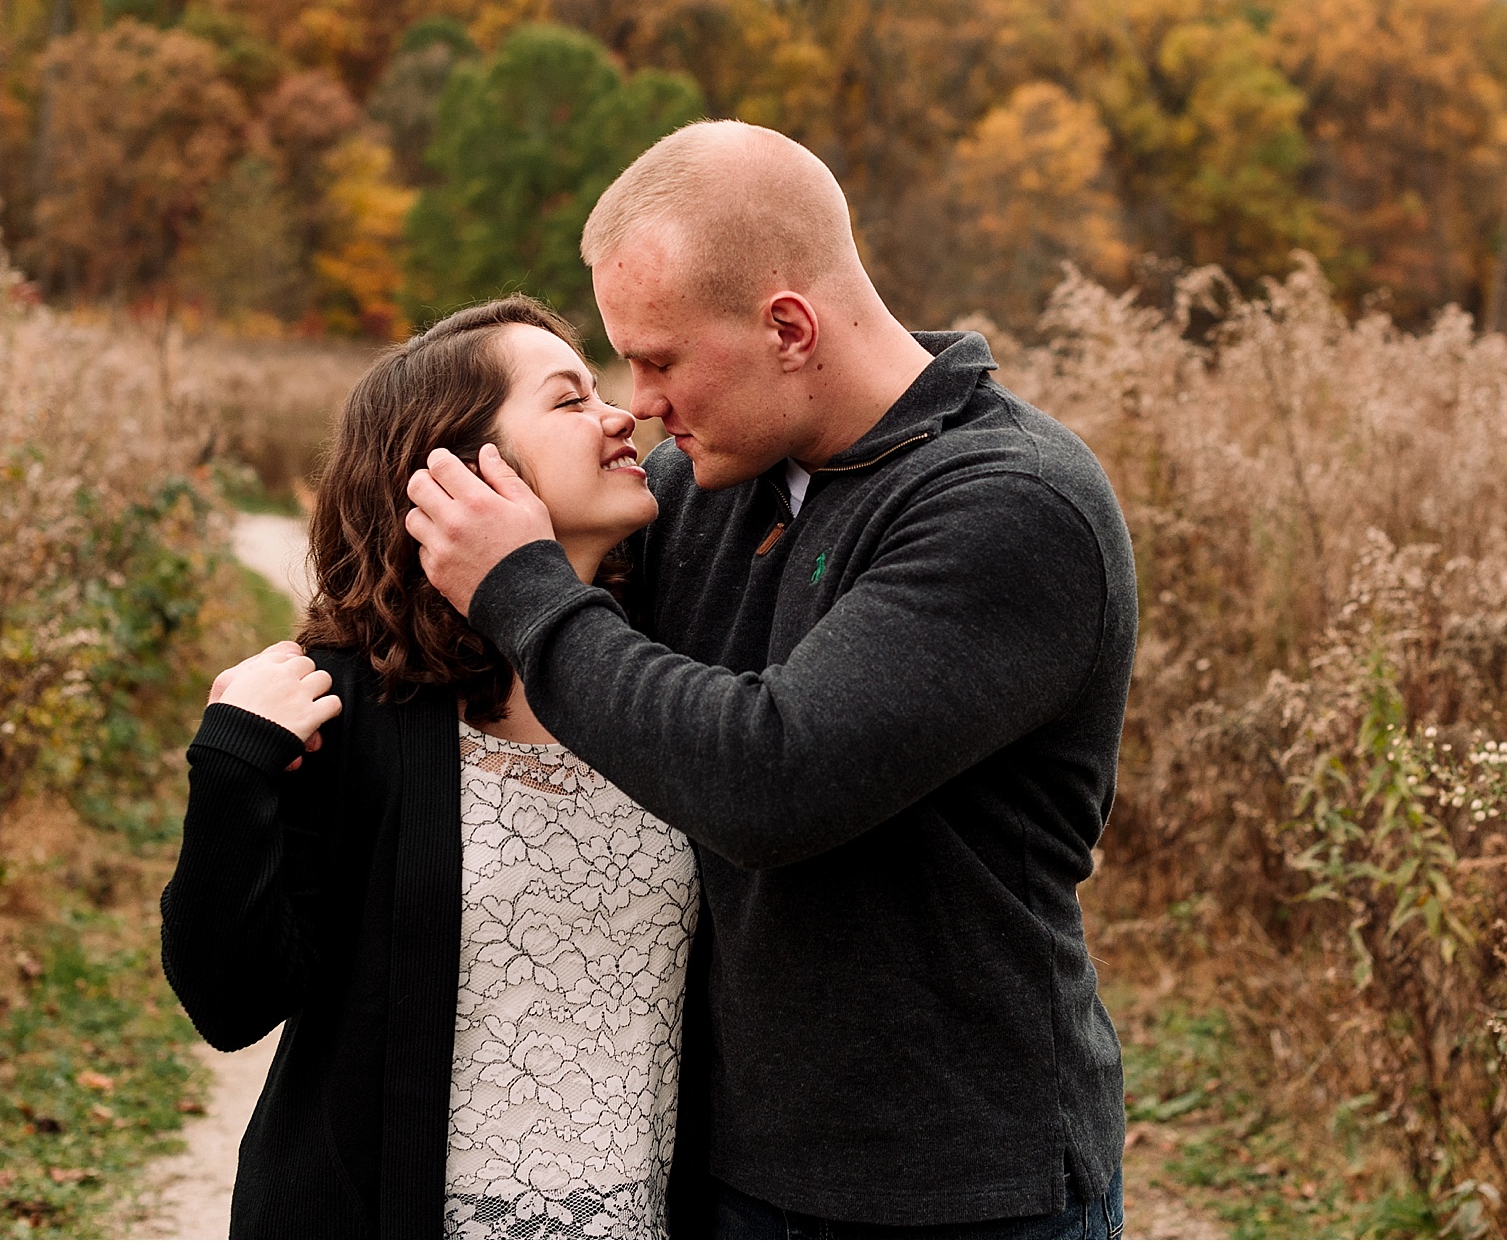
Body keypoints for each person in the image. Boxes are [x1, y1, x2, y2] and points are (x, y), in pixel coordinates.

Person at [405, 120, 1140, 1238]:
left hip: (947, 1193)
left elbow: (770, 777)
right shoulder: (702, 478)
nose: (638, 400)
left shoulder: (1010, 503)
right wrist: (310, 686)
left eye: (658, 359)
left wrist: (522, 587)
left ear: (786, 327)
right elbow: (531, 631)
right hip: (716, 1166)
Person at [161, 297, 700, 1239]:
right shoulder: (347, 703)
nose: (625, 416)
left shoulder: (667, 679)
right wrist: (233, 764)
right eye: (570, 401)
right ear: (459, 468)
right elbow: (230, 1002)